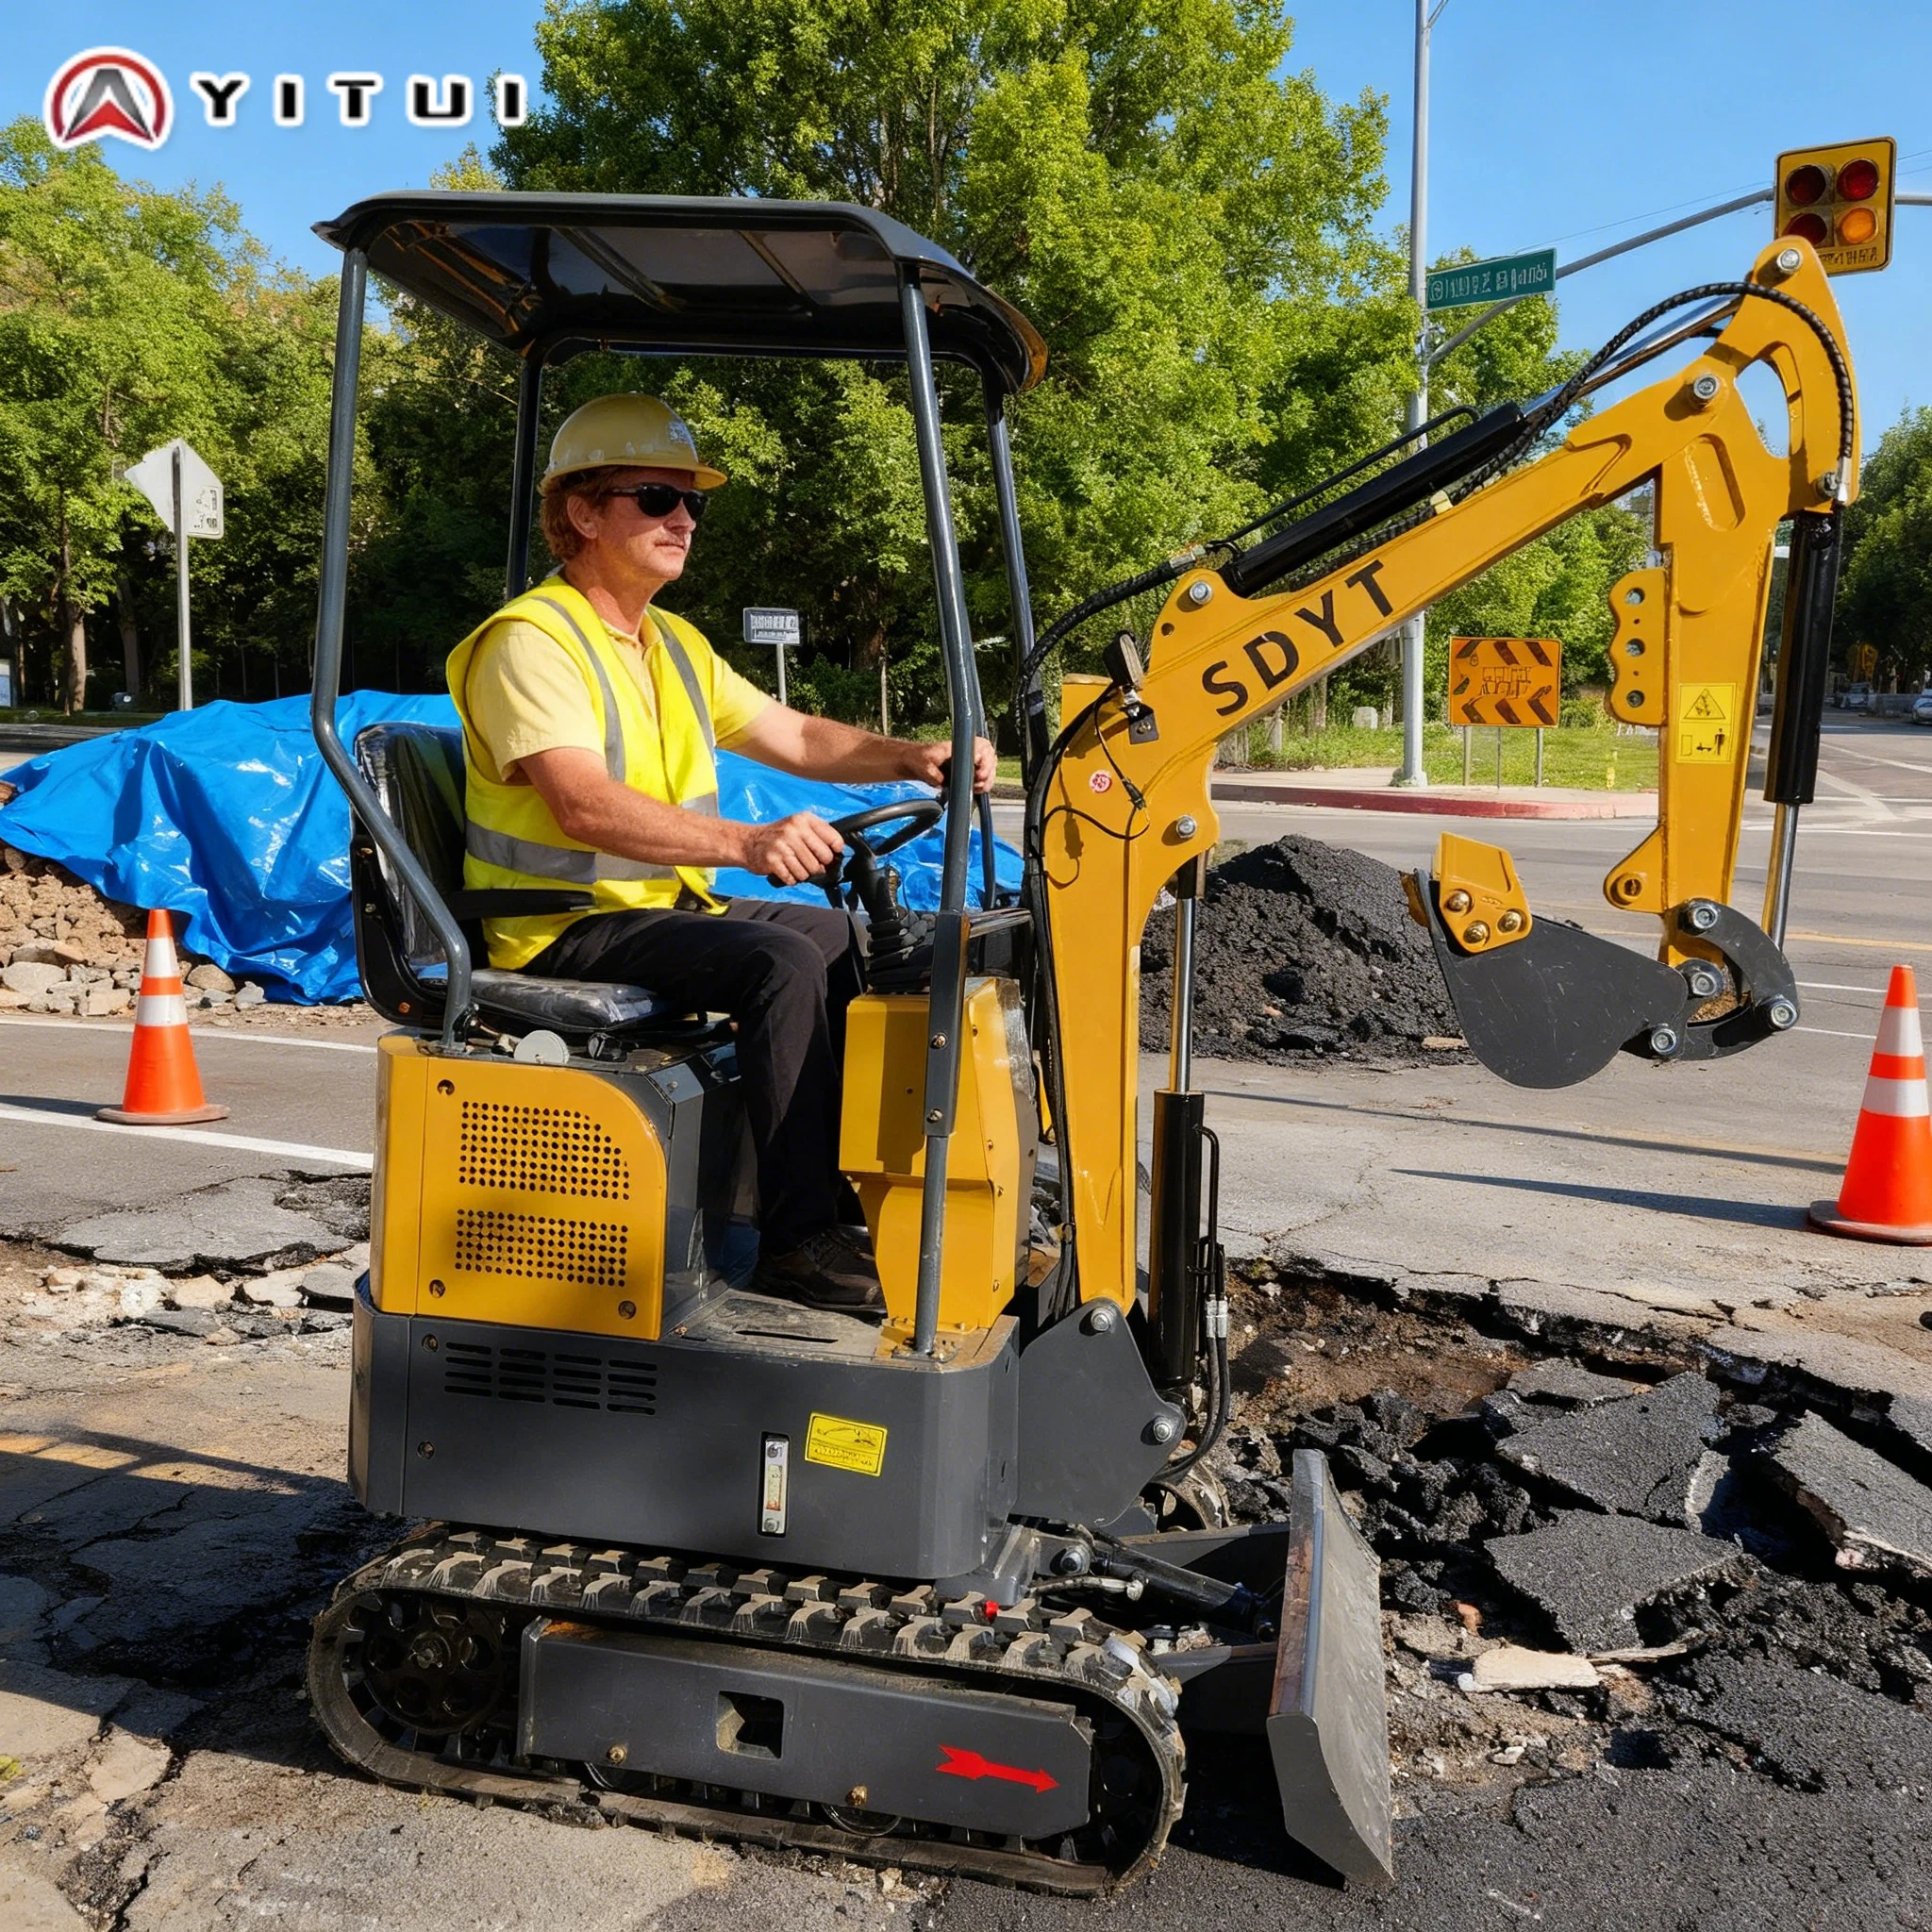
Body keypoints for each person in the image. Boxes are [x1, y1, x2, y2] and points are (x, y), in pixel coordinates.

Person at [446, 393, 994, 1312]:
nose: (683, 519)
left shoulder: (670, 646)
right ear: (582, 513)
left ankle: (825, 1197)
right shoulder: (531, 642)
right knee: (778, 961)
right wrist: (745, 840)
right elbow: (580, 803)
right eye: (656, 496)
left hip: (650, 909)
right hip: (551, 925)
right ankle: (793, 1241)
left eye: (693, 502)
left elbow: (795, 736)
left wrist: (911, 755)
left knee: (828, 936)